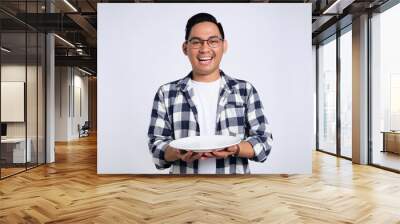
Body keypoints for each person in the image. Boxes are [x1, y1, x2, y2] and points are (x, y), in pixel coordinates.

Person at [147, 13, 272, 174]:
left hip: (234, 189)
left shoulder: (244, 90)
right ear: (185, 48)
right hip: (182, 189)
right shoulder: (166, 93)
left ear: (224, 46)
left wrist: (236, 148)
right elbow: (156, 148)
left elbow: (264, 142)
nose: (205, 49)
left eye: (213, 41)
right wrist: (177, 151)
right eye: (196, 42)